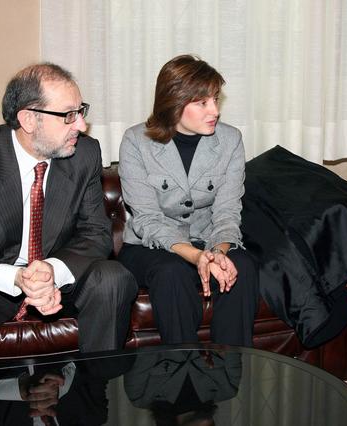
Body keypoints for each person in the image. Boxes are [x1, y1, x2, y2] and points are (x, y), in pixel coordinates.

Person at [0, 63, 138, 369]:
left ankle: (97, 388)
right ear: (28, 119)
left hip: (60, 281)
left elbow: (96, 234)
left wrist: (52, 271)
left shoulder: (84, 154)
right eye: (68, 115)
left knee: (113, 278)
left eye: (81, 111)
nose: (81, 125)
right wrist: (15, 277)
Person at [117, 54, 259, 346]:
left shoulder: (230, 140)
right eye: (202, 102)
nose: (215, 111)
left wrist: (217, 253)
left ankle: (232, 367)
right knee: (172, 272)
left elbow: (227, 211)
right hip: (150, 246)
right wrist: (196, 257)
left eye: (215, 99)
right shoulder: (136, 141)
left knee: (242, 267)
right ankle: (184, 367)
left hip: (209, 239)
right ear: (175, 102)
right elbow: (147, 219)